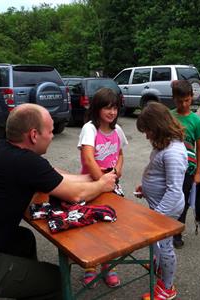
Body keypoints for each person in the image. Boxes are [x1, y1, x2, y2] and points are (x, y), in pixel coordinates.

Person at [0, 103, 116, 300]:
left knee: (23, 239)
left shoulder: (3, 149)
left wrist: (94, 177)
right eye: (50, 131)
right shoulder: (25, 163)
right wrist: (102, 185)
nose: (52, 136)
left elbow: (55, 177)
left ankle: (25, 288)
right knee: (57, 280)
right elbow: (76, 195)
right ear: (34, 135)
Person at [135, 102, 187, 300]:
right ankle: (158, 265)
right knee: (157, 244)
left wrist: (156, 216)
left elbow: (174, 190)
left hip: (166, 209)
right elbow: (159, 175)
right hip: (158, 206)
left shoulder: (173, 152)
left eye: (148, 130)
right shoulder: (163, 145)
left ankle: (167, 287)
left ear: (158, 127)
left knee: (164, 246)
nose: (146, 135)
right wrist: (146, 189)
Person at [77, 87, 128, 288]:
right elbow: (89, 159)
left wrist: (117, 169)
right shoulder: (89, 128)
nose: (112, 112)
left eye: (114, 108)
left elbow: (121, 154)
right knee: (90, 227)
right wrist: (102, 184)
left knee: (110, 227)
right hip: (91, 185)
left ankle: (108, 267)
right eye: (107, 108)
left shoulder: (117, 130)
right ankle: (90, 268)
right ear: (97, 108)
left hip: (111, 184)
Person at [170, 80, 200, 249]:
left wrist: (198, 172)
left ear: (192, 97)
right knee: (169, 198)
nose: (184, 104)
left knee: (182, 202)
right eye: (179, 101)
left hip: (188, 171)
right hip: (170, 169)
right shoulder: (169, 116)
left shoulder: (196, 121)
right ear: (173, 99)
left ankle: (177, 232)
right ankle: (165, 229)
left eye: (187, 100)